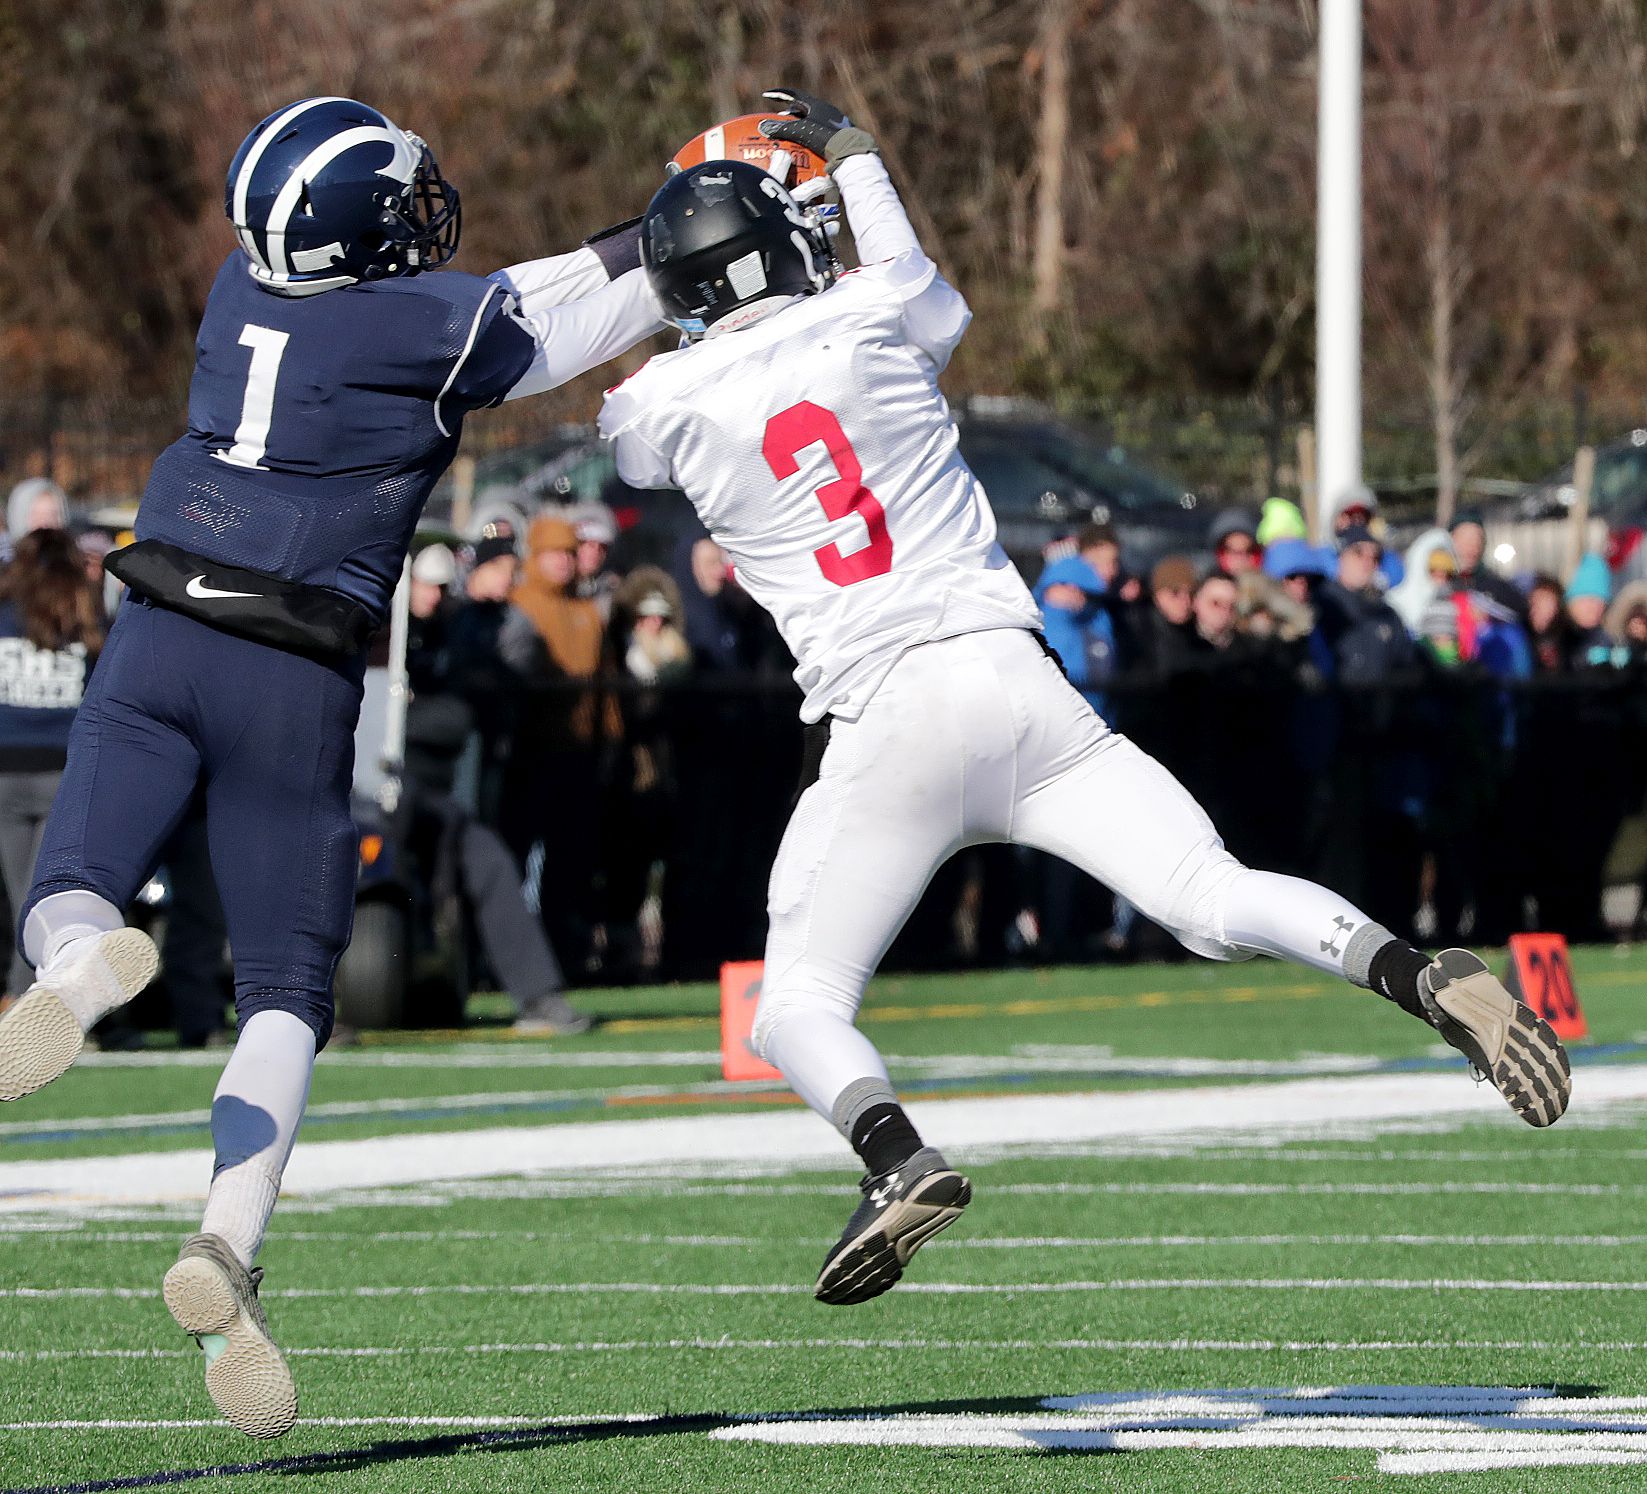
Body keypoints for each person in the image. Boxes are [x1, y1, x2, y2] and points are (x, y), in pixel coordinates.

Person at [599, 89, 1571, 1308]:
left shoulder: (660, 410)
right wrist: (850, 158)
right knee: (1210, 895)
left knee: (794, 1004)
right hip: (1023, 685)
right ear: (790, 248)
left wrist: (670, 246)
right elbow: (907, 271)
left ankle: (895, 1157)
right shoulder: (876, 313)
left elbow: (625, 388)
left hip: (887, 712)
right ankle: (1415, 972)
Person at [0, 97, 664, 1437]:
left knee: (69, 881)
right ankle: (227, 1243)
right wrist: (689, 240)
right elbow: (551, 332)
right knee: (288, 993)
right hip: (286, 664)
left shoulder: (240, 288)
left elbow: (507, 297)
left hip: (157, 626)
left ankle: (76, 969)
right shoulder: (409, 323)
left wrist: (631, 235)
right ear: (364, 234)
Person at [0, 530, 103, 1002]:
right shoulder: (84, 619)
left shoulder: (7, 611)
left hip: (10, 772)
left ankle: (27, 1003)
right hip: (63, 774)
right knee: (42, 897)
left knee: (22, 894)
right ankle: (38, 1002)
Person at [1448, 509, 1525, 620]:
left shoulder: (1498, 588)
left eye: (1477, 540)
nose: (1472, 547)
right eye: (1465, 540)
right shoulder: (1438, 583)